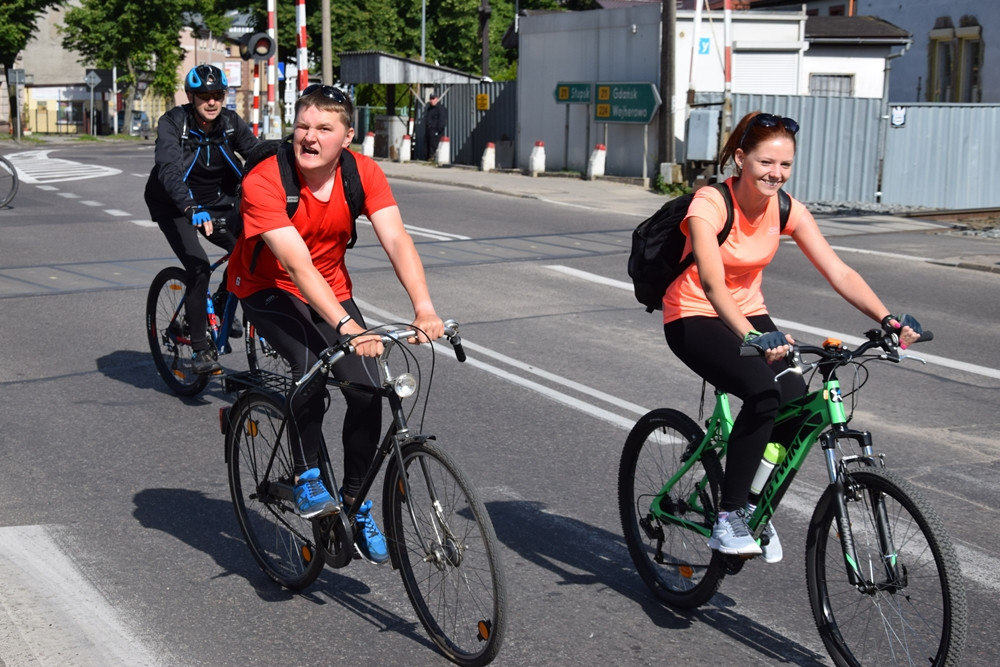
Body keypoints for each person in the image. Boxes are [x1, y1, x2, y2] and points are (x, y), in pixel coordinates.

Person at [662, 111, 924, 562]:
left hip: (749, 313)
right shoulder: (710, 203)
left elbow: (838, 270)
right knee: (762, 393)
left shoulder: (785, 208)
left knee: (793, 398)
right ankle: (730, 517)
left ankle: (751, 503)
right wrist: (752, 336)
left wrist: (888, 320)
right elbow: (711, 282)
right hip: (693, 315)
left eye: (785, 165)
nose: (775, 174)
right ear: (741, 159)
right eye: (766, 163)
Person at [227, 84, 445, 564]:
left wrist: (424, 308)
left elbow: (397, 240)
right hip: (266, 285)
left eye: (324, 128)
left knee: (368, 388)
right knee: (310, 366)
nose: (309, 137)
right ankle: (306, 478)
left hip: (332, 288)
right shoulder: (266, 179)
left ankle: (353, 499)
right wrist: (348, 328)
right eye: (303, 126)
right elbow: (298, 268)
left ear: (348, 136)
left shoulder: (362, 173)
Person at [144, 64, 257, 375]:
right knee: (198, 265)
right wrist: (191, 208)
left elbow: (258, 155)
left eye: (218, 95)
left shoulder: (231, 123)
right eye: (204, 96)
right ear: (191, 96)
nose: (212, 102)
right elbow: (168, 169)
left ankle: (221, 304)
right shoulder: (173, 123)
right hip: (175, 205)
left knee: (248, 250)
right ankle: (199, 349)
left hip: (217, 202)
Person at [423, 93, 447, 160]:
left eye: (433, 99)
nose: (431, 100)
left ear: (437, 99)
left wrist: (437, 131)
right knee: (427, 147)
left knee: (434, 147)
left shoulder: (440, 108)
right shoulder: (429, 108)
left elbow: (442, 121)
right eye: (430, 99)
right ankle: (428, 159)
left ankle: (433, 159)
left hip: (435, 132)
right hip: (429, 131)